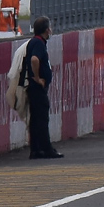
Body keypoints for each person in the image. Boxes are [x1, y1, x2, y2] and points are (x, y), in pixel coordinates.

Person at [23, 16, 62, 159]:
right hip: (37, 88)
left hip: (33, 88)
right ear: (46, 30)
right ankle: (46, 149)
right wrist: (37, 77)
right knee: (42, 119)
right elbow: (34, 59)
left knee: (35, 119)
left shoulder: (34, 42)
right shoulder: (38, 43)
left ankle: (36, 149)